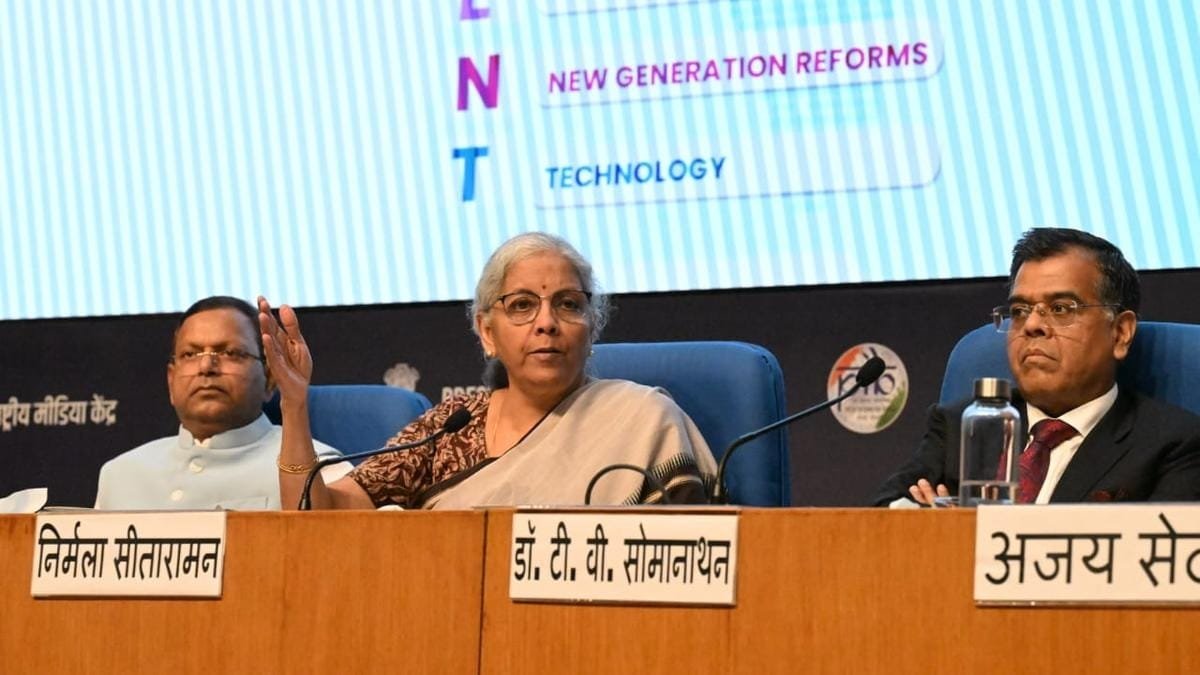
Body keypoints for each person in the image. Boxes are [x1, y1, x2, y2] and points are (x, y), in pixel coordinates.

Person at [263, 232, 718, 509]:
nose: (546, 322)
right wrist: (295, 404)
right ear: (487, 332)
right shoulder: (450, 427)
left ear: (591, 326)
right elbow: (317, 518)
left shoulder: (642, 419)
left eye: (568, 304)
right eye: (521, 305)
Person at [873, 228, 1200, 506]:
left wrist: (964, 531)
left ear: (1120, 333)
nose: (1031, 325)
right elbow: (878, 520)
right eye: (1019, 310)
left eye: (1060, 308)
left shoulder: (1174, 444)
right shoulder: (961, 425)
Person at [94, 296, 344, 510]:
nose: (206, 366)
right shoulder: (119, 475)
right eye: (190, 354)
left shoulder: (319, 469)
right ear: (171, 380)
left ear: (270, 378)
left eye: (230, 353)